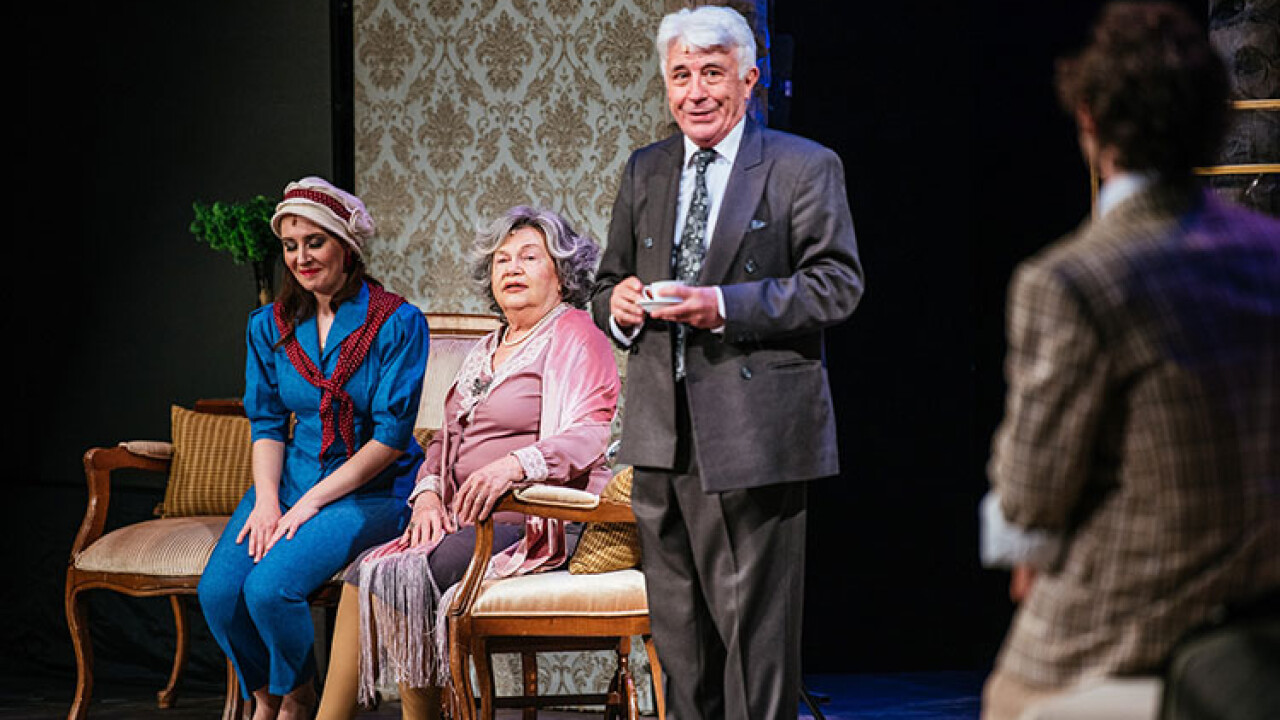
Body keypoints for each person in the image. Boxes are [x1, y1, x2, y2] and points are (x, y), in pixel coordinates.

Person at [980, 4, 1280, 719]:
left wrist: (1029, 550)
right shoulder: (1268, 253)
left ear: (1089, 119)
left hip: (1139, 615)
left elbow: (1031, 495)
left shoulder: (1073, 279)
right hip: (1261, 601)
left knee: (1008, 697)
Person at [591, 6, 863, 719]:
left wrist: (722, 305)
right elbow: (605, 282)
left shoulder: (802, 166)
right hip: (660, 435)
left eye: (712, 73)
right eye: (681, 75)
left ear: (749, 79)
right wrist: (617, 305)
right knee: (681, 644)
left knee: (755, 646)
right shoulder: (646, 169)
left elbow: (837, 285)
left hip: (755, 435)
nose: (695, 91)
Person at [314, 206, 620, 720]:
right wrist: (428, 494)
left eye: (529, 257)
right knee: (364, 572)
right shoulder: (486, 347)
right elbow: (443, 439)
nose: (512, 268)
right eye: (502, 259)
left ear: (563, 274)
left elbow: (589, 433)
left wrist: (514, 465)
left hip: (534, 518)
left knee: (405, 574)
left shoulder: (576, 335)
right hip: (466, 518)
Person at [198, 177, 430, 720]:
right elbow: (266, 423)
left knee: (269, 589)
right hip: (293, 479)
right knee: (220, 592)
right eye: (290, 245)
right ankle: (269, 697)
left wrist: (309, 505)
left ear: (346, 246)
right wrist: (267, 500)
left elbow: (391, 439)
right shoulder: (269, 325)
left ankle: (299, 700)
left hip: (371, 490)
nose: (301, 257)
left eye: (315, 242)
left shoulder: (397, 322)